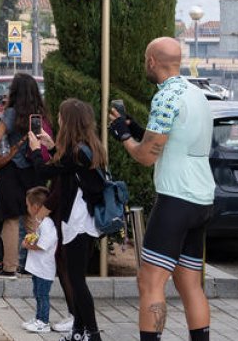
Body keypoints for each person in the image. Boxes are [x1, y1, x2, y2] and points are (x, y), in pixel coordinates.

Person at [110, 37, 215, 341]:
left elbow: (145, 156)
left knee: (149, 282)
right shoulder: (197, 95)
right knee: (190, 284)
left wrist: (123, 136)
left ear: (152, 61)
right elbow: (174, 142)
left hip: (176, 199)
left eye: (146, 59)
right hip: (202, 199)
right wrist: (138, 129)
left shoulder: (166, 97)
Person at [28, 98, 106, 341]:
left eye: (61, 116)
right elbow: (67, 170)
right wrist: (51, 148)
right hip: (87, 222)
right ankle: (78, 332)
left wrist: (34, 151)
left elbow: (46, 171)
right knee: (77, 277)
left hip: (77, 223)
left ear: (68, 121)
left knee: (76, 281)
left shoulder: (75, 151)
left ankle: (92, 333)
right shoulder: (87, 146)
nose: (58, 120)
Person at [0, 73, 47, 279]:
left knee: (10, 218)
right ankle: (32, 266)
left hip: (12, 171)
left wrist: (0, 117)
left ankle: (10, 267)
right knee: (31, 218)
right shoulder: (40, 113)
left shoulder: (12, 113)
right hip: (34, 168)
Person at [21, 186, 59, 334]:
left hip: (44, 268)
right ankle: (38, 318)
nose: (27, 208)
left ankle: (43, 322)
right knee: (37, 293)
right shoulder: (41, 221)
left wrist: (28, 245)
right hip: (38, 268)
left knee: (42, 295)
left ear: (36, 207)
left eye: (28, 205)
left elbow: (44, 245)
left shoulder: (48, 224)